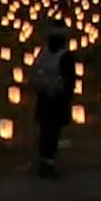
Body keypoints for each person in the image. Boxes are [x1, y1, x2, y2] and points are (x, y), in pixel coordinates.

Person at [30, 23, 76, 179]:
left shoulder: (43, 54)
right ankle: (48, 163)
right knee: (53, 132)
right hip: (56, 100)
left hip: (44, 97)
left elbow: (34, 73)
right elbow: (69, 81)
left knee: (45, 130)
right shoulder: (65, 56)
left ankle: (44, 160)